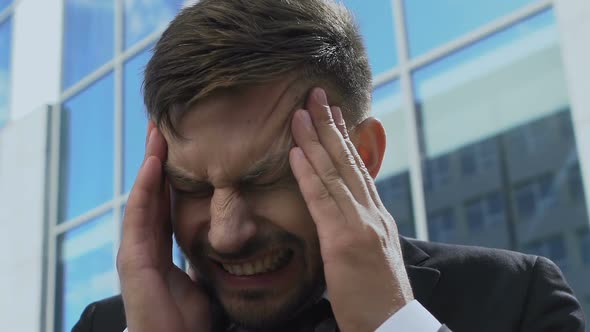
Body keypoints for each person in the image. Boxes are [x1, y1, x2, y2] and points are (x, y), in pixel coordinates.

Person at [73, 0, 586, 331]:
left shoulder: (516, 300)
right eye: (191, 187)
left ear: (362, 156)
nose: (228, 234)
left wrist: (395, 324)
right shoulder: (106, 324)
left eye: (268, 177)